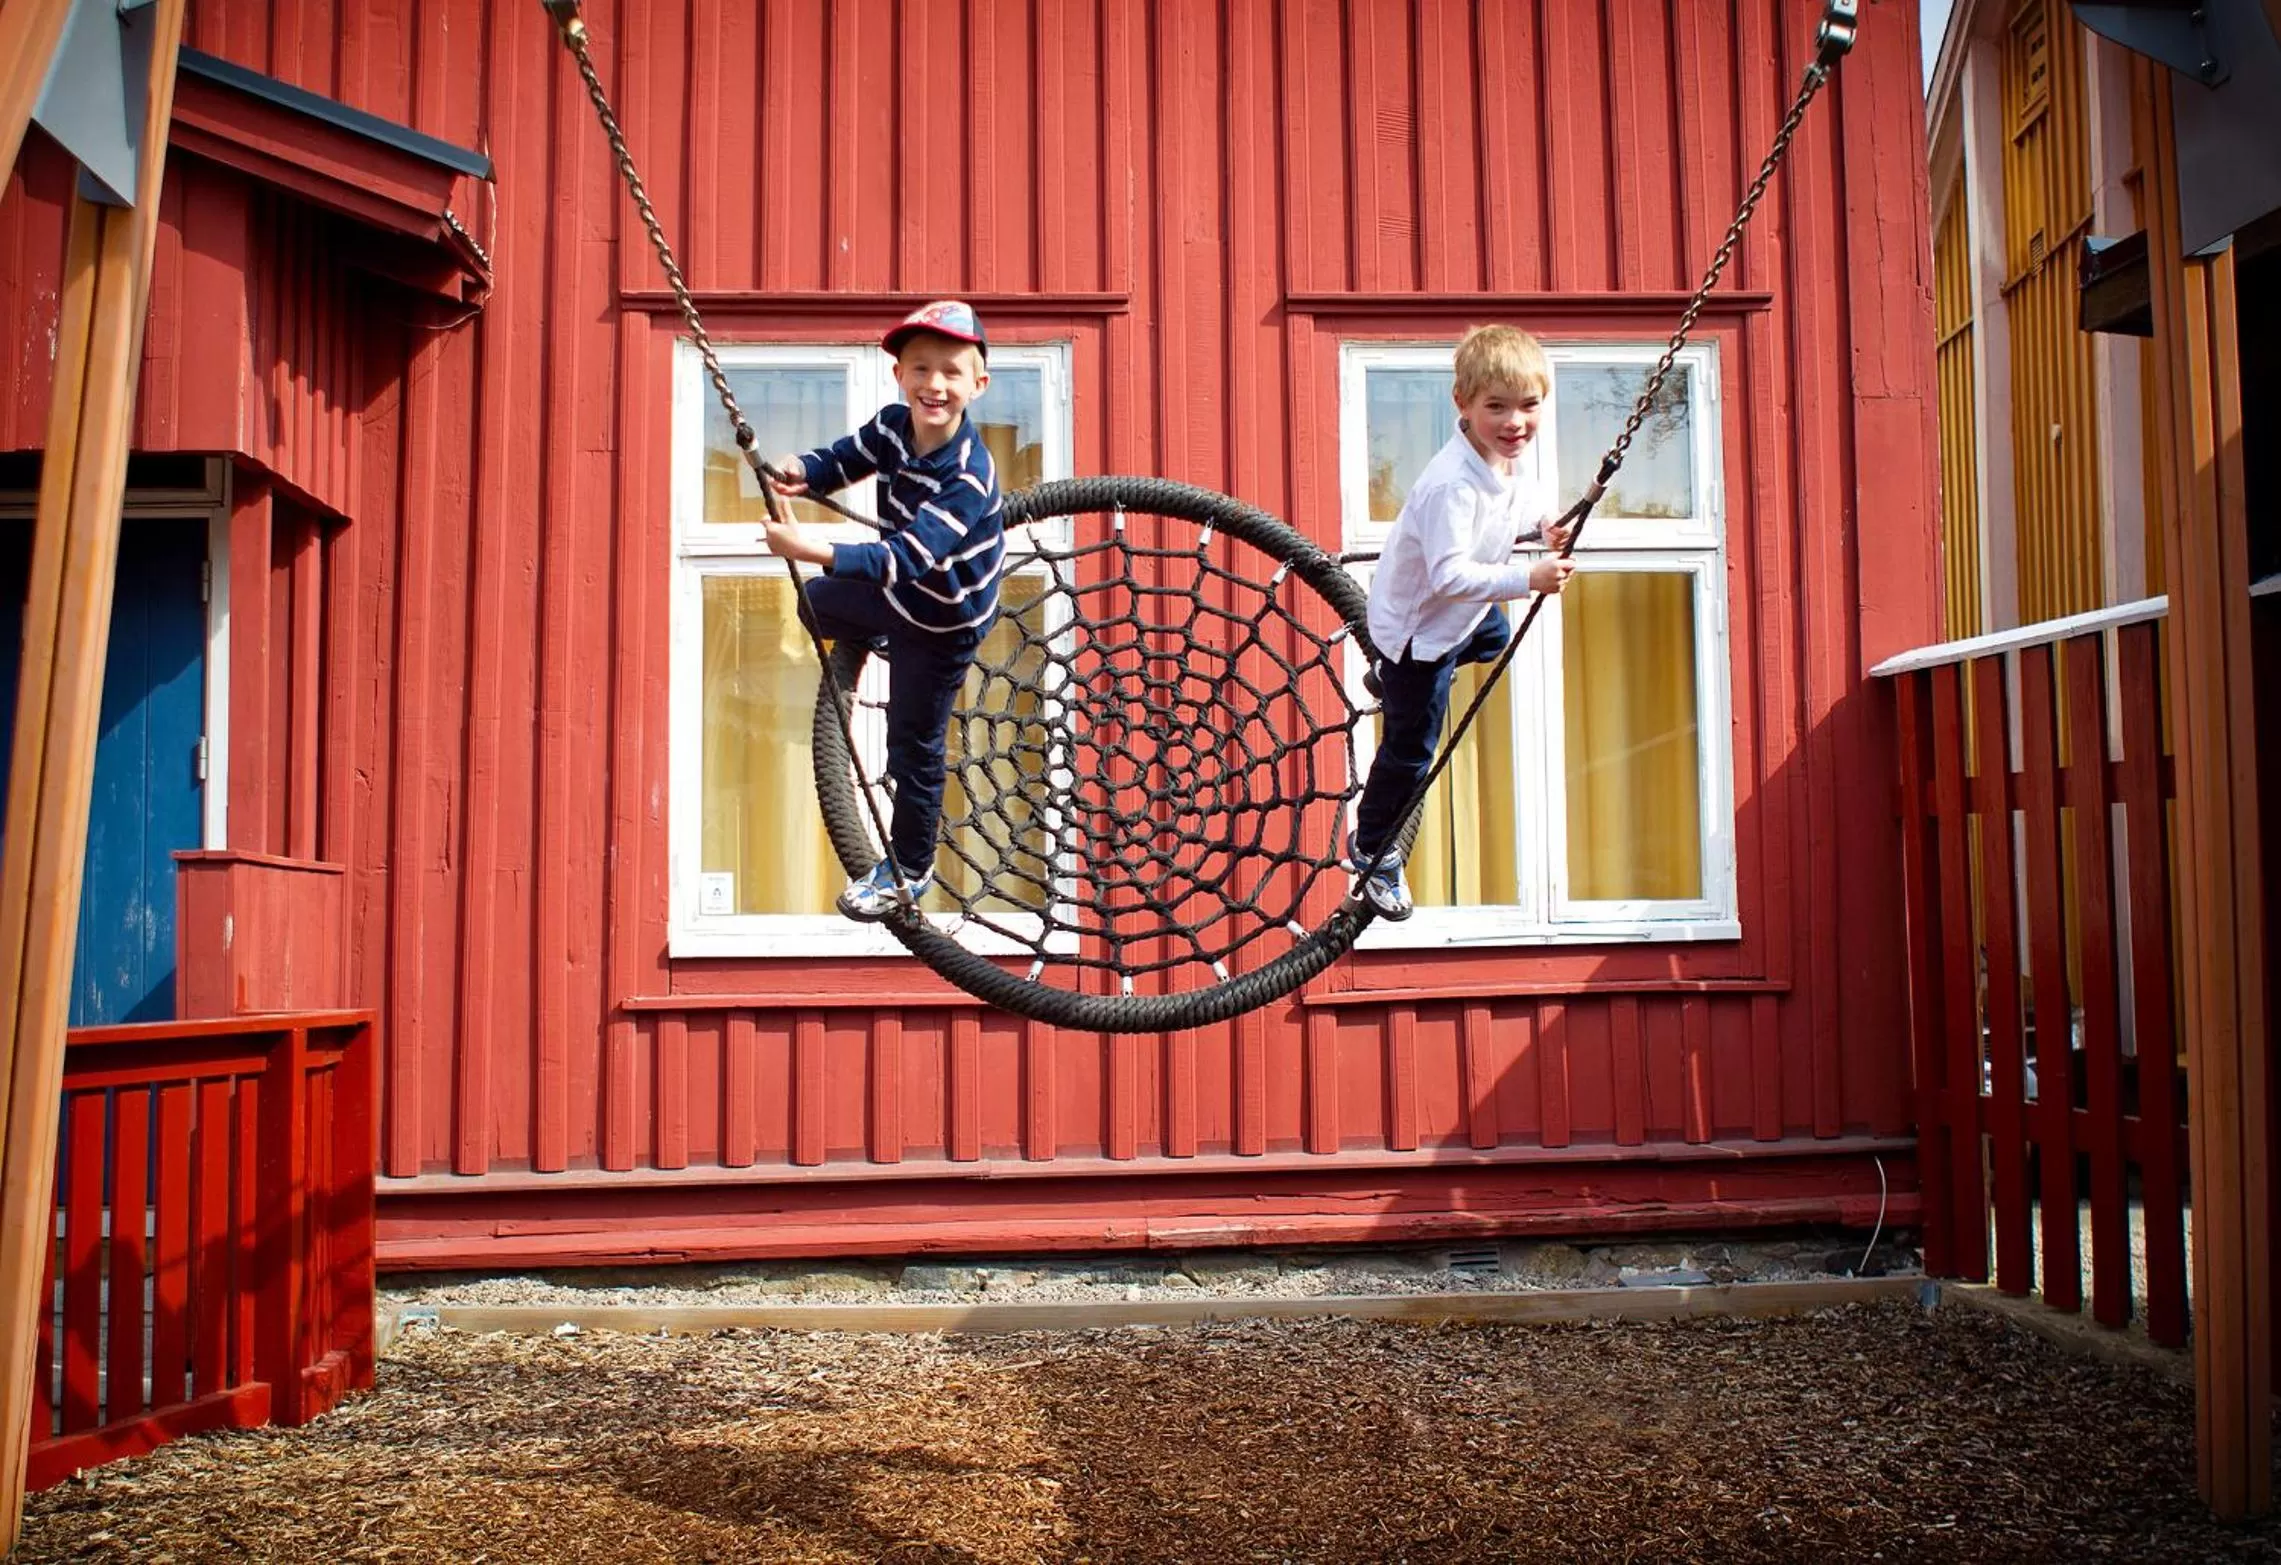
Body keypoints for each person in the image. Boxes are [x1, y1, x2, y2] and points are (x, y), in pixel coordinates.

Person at [764, 299, 1004, 921]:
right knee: (815, 604)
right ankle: (881, 633)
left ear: (978, 384)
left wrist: (811, 547)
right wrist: (802, 471)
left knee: (912, 746)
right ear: (899, 374)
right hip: (899, 598)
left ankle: (910, 869)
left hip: (941, 620)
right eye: (920, 368)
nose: (935, 385)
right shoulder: (894, 426)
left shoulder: (969, 476)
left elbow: (906, 559)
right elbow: (848, 457)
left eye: (952, 372)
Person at [1347, 324, 1574, 921]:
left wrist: (1544, 526)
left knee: (1493, 636)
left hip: (1459, 620)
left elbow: (1515, 512)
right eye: (1496, 407)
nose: (1515, 422)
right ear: (1463, 404)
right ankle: (1371, 849)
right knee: (1410, 751)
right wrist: (1529, 578)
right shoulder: (1452, 485)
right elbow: (1450, 577)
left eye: (1528, 406)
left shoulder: (1499, 461)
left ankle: (1388, 679)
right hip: (1421, 634)